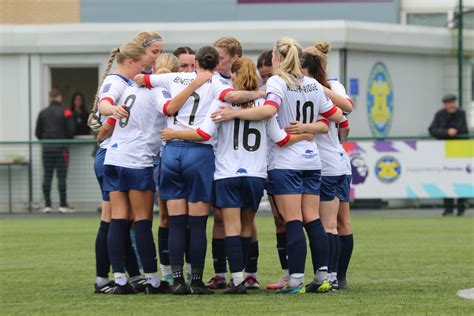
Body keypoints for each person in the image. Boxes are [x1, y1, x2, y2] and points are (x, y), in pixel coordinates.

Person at [160, 57, 314, 294]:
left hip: (227, 174)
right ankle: (246, 276)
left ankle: (238, 280)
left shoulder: (221, 104)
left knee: (230, 227)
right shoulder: (264, 107)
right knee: (246, 225)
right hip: (255, 174)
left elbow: (202, 133)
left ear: (233, 78)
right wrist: (304, 135)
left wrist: (173, 133)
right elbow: (281, 139)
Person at [212, 37, 342, 294]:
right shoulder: (312, 84)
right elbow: (336, 117)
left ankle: (295, 281)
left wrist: (235, 112)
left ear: (277, 59)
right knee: (313, 219)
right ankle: (323, 277)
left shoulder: (277, 81)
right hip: (312, 160)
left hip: (286, 161)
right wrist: (308, 129)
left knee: (293, 220)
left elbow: (270, 111)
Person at [135, 46, 264, 295]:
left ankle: (176, 281)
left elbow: (142, 78)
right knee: (197, 224)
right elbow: (233, 97)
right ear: (216, 65)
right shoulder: (216, 83)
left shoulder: (172, 77)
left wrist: (151, 79)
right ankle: (195, 280)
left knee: (174, 223)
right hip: (199, 153)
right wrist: (262, 91)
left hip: (171, 153)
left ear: (194, 64)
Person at [91, 41, 150, 294]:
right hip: (112, 155)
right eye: (143, 61)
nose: (146, 66)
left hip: (117, 155)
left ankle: (129, 275)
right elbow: (104, 104)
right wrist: (112, 111)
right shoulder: (117, 82)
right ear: (130, 62)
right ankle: (104, 278)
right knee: (113, 218)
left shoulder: (127, 84)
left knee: (120, 219)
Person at [301, 41, 353, 290]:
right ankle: (339, 278)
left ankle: (330, 278)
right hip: (340, 161)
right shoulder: (335, 86)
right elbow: (345, 123)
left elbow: (342, 113)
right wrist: (338, 144)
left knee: (327, 224)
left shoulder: (311, 89)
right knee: (342, 222)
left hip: (325, 164)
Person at [35, 88, 76, 213]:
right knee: (61, 177)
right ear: (60, 97)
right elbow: (72, 131)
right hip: (61, 148)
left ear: (49, 97)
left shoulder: (43, 113)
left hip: (47, 149)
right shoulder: (66, 112)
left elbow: (37, 133)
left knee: (47, 176)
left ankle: (47, 205)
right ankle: (63, 205)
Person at [428, 94, 468, 216]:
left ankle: (461, 208)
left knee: (461, 179)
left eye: (452, 102)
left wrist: (447, 132)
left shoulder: (461, 113)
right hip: (444, 151)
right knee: (446, 178)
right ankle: (448, 208)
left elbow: (460, 129)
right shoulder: (439, 114)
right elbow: (432, 130)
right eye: (448, 103)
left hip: (460, 150)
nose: (451, 105)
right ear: (444, 104)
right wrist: (447, 132)